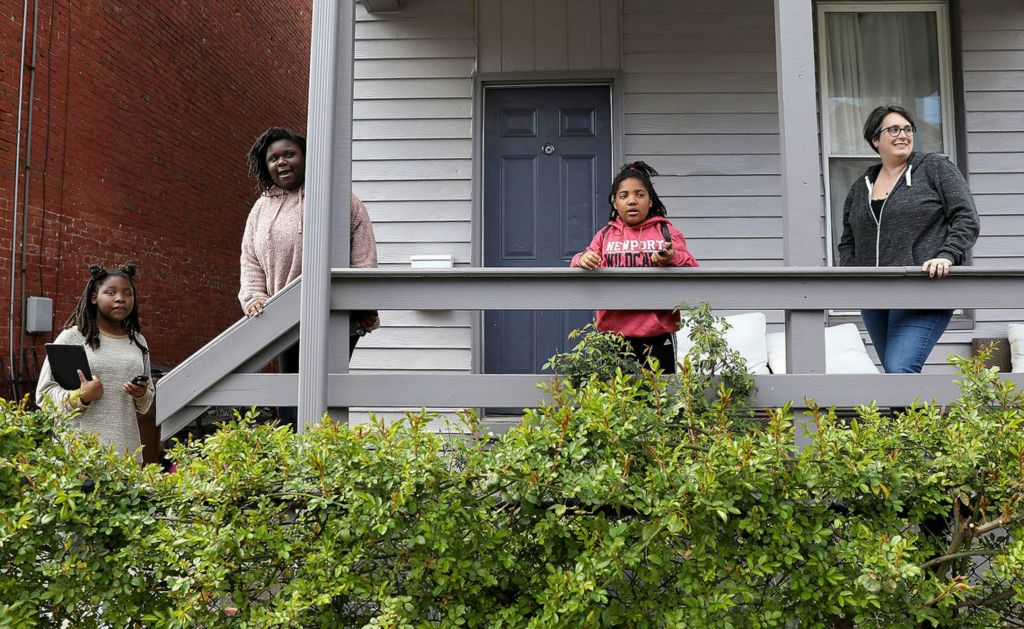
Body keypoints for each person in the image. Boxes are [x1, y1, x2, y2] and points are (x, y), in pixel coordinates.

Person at [838, 105, 980, 373]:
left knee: (900, 367)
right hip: (875, 296)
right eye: (893, 129)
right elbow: (848, 240)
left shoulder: (935, 168)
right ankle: (911, 418)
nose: (903, 135)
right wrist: (853, 272)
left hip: (924, 288)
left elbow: (966, 217)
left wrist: (946, 254)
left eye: (907, 129)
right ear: (875, 140)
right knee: (895, 376)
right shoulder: (861, 186)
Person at [239, 126, 379, 374]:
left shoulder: (337, 197)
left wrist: (363, 298)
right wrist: (254, 297)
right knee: (292, 401)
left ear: (305, 157)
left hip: (335, 313)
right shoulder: (261, 209)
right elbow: (250, 259)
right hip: (283, 316)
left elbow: (363, 250)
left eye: (289, 154)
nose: (281, 161)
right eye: (273, 158)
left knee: (327, 393)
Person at [571, 161, 699, 373]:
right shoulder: (605, 235)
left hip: (658, 336)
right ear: (615, 203)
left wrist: (672, 257)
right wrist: (583, 258)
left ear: (650, 201)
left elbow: (692, 265)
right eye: (624, 196)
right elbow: (580, 259)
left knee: (661, 399)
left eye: (640, 194)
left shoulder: (665, 232)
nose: (632, 201)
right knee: (617, 400)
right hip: (614, 336)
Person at [36, 263, 156, 460]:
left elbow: (145, 404)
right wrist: (81, 397)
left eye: (128, 293)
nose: (120, 298)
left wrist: (141, 394)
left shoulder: (138, 341)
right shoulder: (73, 337)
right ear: (94, 298)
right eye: (111, 292)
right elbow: (44, 395)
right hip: (79, 456)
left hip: (126, 454)